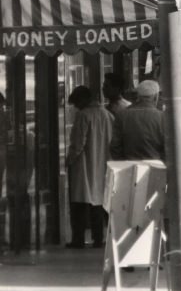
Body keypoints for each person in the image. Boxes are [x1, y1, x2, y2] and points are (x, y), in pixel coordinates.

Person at [66, 85, 114, 249]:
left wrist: (70, 159)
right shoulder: (107, 115)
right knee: (98, 203)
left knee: (80, 203)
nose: (76, 107)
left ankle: (78, 239)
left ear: (83, 100)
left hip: (84, 165)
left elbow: (78, 142)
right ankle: (98, 238)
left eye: (77, 103)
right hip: (103, 163)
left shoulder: (83, 115)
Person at [110, 79, 165, 161]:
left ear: (138, 96)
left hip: (129, 165)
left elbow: (115, 146)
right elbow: (168, 147)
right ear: (156, 97)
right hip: (156, 166)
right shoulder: (162, 117)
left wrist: (123, 162)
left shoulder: (122, 115)